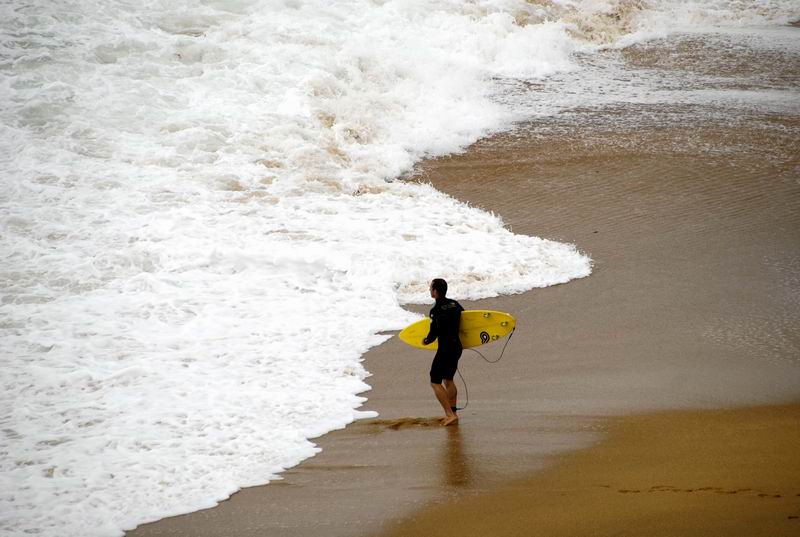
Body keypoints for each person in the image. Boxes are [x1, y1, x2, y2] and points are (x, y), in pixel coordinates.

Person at [423, 278, 464, 426]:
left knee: (435, 380)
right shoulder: (455, 304)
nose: (429, 290)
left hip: (445, 348)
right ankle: (454, 413)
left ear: (435, 291)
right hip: (457, 347)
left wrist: (425, 341)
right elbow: (466, 320)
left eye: (431, 288)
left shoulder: (436, 310)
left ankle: (449, 414)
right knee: (448, 379)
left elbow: (433, 334)